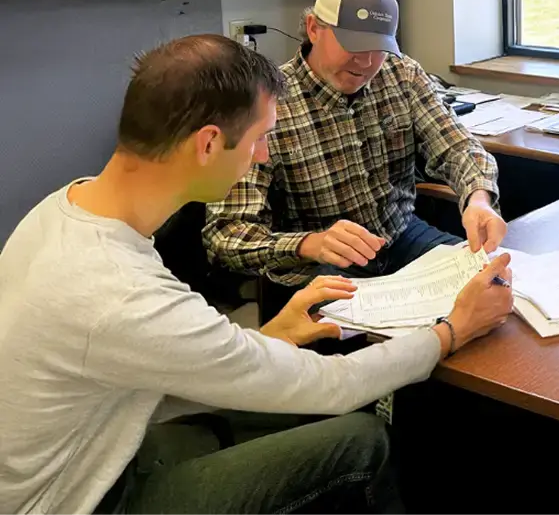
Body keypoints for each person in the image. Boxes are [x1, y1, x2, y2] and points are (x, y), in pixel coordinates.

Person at [0, 35, 514, 515]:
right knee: (364, 435)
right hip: (84, 497)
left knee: (308, 405)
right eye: (260, 138)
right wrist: (452, 330)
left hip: (107, 436)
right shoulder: (119, 289)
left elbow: (144, 356)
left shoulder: (66, 208)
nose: (265, 155)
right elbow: (336, 385)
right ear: (207, 144)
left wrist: (272, 337)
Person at [204, 0, 506, 291]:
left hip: (401, 235)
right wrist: (309, 244)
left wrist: (478, 198)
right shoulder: (266, 103)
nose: (366, 62)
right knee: (397, 333)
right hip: (318, 264)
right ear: (313, 29)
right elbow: (225, 235)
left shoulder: (401, 74)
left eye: (378, 48)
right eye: (353, 45)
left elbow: (457, 147)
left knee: (490, 284)